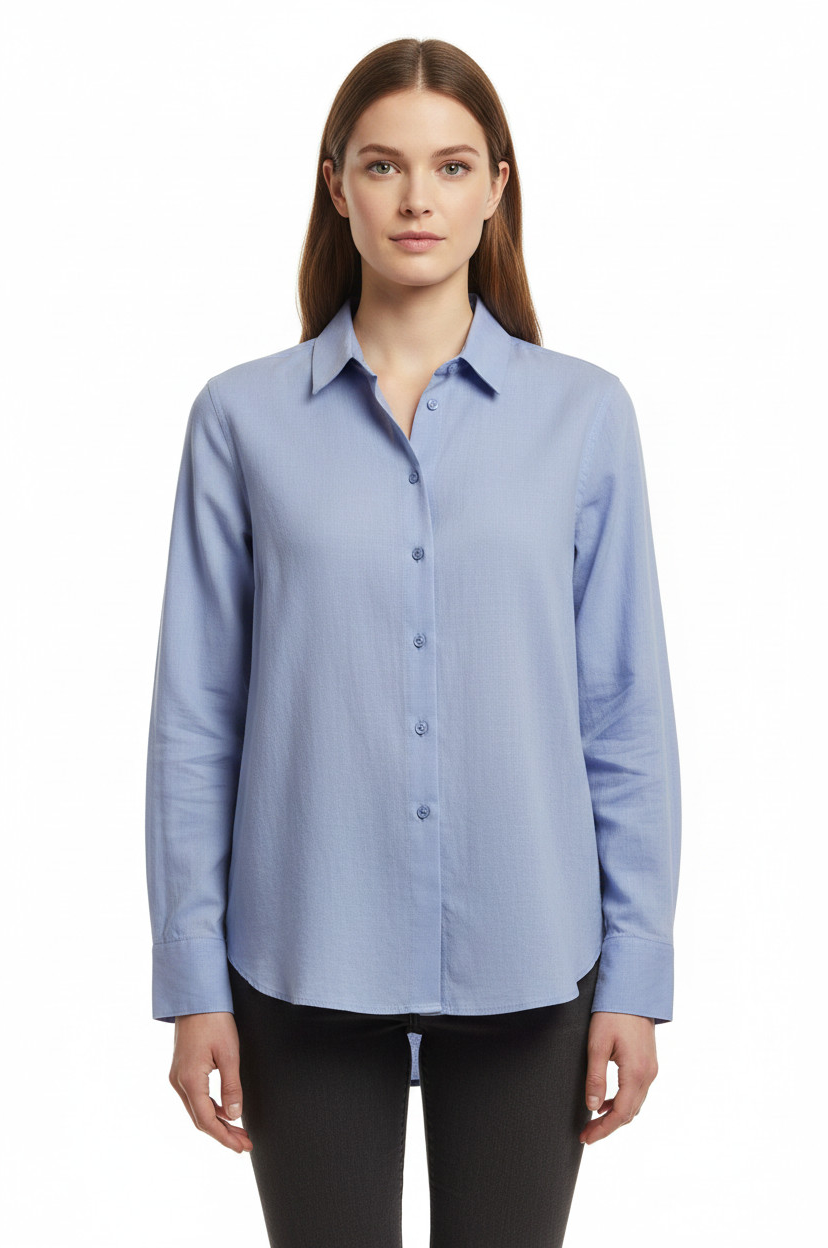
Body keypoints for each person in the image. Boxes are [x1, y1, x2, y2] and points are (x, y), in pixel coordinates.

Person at [145, 36, 682, 1248]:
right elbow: (197, 718)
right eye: (383, 165)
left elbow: (623, 712)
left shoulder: (584, 415)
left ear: (497, 186)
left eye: (450, 166)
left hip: (531, 957)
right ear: (336, 185)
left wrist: (636, 974)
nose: (416, 199)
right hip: (300, 957)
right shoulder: (240, 420)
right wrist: (191, 983)